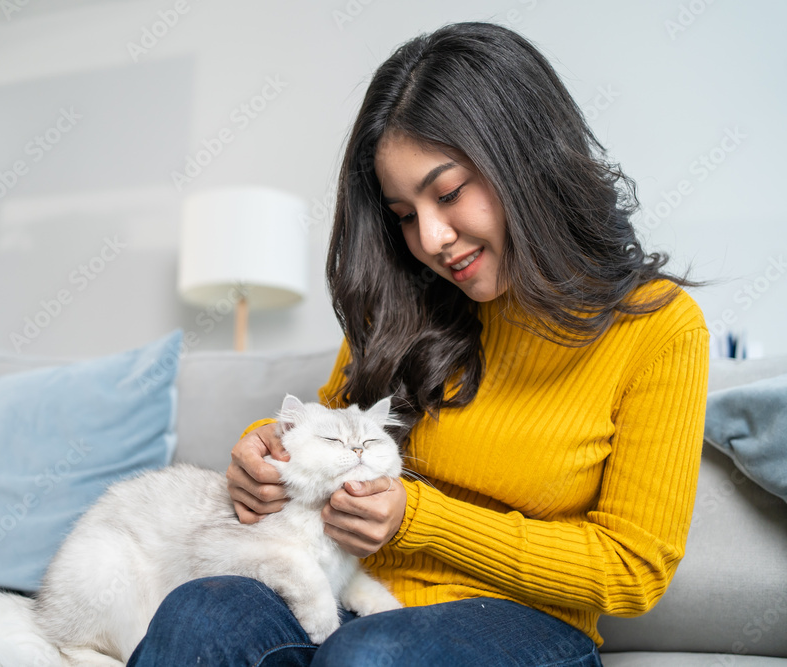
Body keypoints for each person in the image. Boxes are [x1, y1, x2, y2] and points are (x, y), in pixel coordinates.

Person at [128, 21, 710, 666]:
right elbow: (335, 424)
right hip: (349, 585)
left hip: (526, 628)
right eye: (405, 214)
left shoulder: (659, 328)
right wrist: (270, 448)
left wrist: (422, 521)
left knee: (372, 656)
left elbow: (634, 571)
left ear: (527, 159)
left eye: (449, 192)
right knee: (201, 611)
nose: (430, 238)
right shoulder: (402, 305)